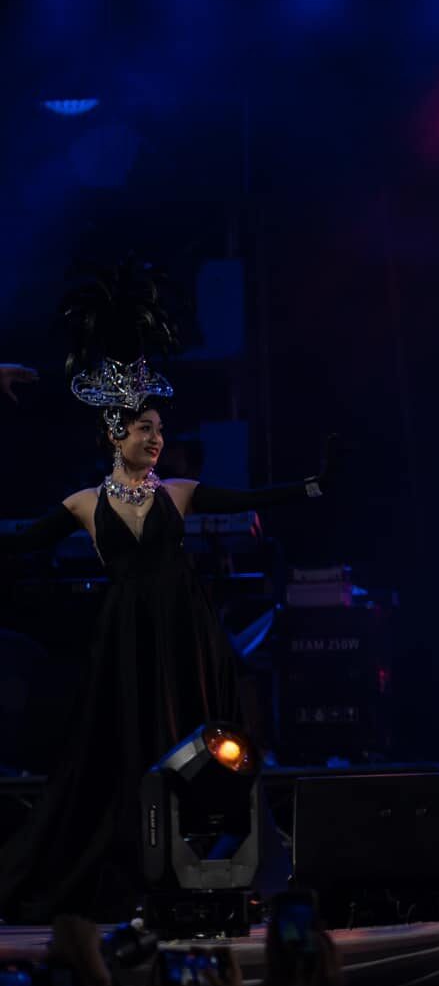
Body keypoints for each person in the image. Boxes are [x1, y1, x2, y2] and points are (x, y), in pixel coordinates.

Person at [0, 263, 334, 922]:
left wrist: (316, 483)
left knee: (198, 742)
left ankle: (213, 863)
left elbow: (257, 496)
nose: (157, 439)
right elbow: (16, 544)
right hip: (126, 637)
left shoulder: (177, 494)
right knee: (124, 748)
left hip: (186, 634)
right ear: (113, 435)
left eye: (159, 429)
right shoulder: (82, 503)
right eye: (144, 429)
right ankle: (129, 864)